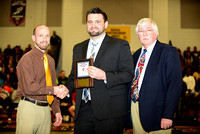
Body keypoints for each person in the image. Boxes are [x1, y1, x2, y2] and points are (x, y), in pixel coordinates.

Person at [66, 7, 134, 134]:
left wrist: (104, 75)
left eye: (97, 21)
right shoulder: (78, 48)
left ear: (106, 24)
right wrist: (66, 89)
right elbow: (73, 76)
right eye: (90, 22)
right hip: (82, 110)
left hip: (110, 111)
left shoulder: (120, 45)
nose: (93, 25)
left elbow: (129, 74)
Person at [129, 18, 182, 134]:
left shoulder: (168, 52)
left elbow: (175, 85)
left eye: (149, 30)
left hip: (158, 113)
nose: (144, 33)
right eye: (141, 31)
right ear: (138, 35)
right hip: (135, 108)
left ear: (156, 33)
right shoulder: (136, 55)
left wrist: (168, 114)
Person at [16, 25, 69, 134]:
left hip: (46, 110)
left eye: (47, 36)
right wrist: (54, 90)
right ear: (33, 38)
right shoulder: (26, 59)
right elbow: (29, 87)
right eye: (40, 35)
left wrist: (56, 110)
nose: (44, 39)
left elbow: (53, 85)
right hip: (29, 108)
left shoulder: (50, 60)